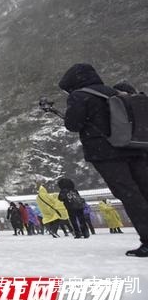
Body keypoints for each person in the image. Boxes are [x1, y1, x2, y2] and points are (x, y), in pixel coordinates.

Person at [59, 64, 148, 257]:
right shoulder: (113, 91)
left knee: (130, 195)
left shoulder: (80, 96)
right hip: (134, 147)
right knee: (144, 189)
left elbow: (73, 124)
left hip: (107, 153)